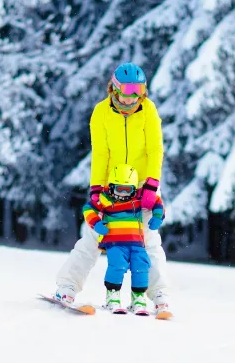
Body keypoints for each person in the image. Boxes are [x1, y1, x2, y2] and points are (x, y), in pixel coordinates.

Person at [54, 62, 172, 317]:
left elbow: (155, 149)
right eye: (128, 90)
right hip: (113, 187)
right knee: (93, 236)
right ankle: (67, 287)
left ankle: (159, 294)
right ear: (115, 88)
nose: (133, 96)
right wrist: (97, 188)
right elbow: (100, 153)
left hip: (142, 187)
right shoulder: (101, 112)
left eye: (139, 89)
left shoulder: (148, 110)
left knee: (149, 240)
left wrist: (152, 183)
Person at [83, 163, 164, 316]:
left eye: (127, 190)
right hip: (115, 243)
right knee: (117, 266)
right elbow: (88, 208)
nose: (123, 194)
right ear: (112, 186)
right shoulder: (105, 199)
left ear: (133, 189)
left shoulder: (138, 198)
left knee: (141, 267)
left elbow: (157, 201)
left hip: (137, 244)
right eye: (119, 189)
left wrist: (158, 216)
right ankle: (112, 296)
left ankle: (138, 298)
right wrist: (96, 223)